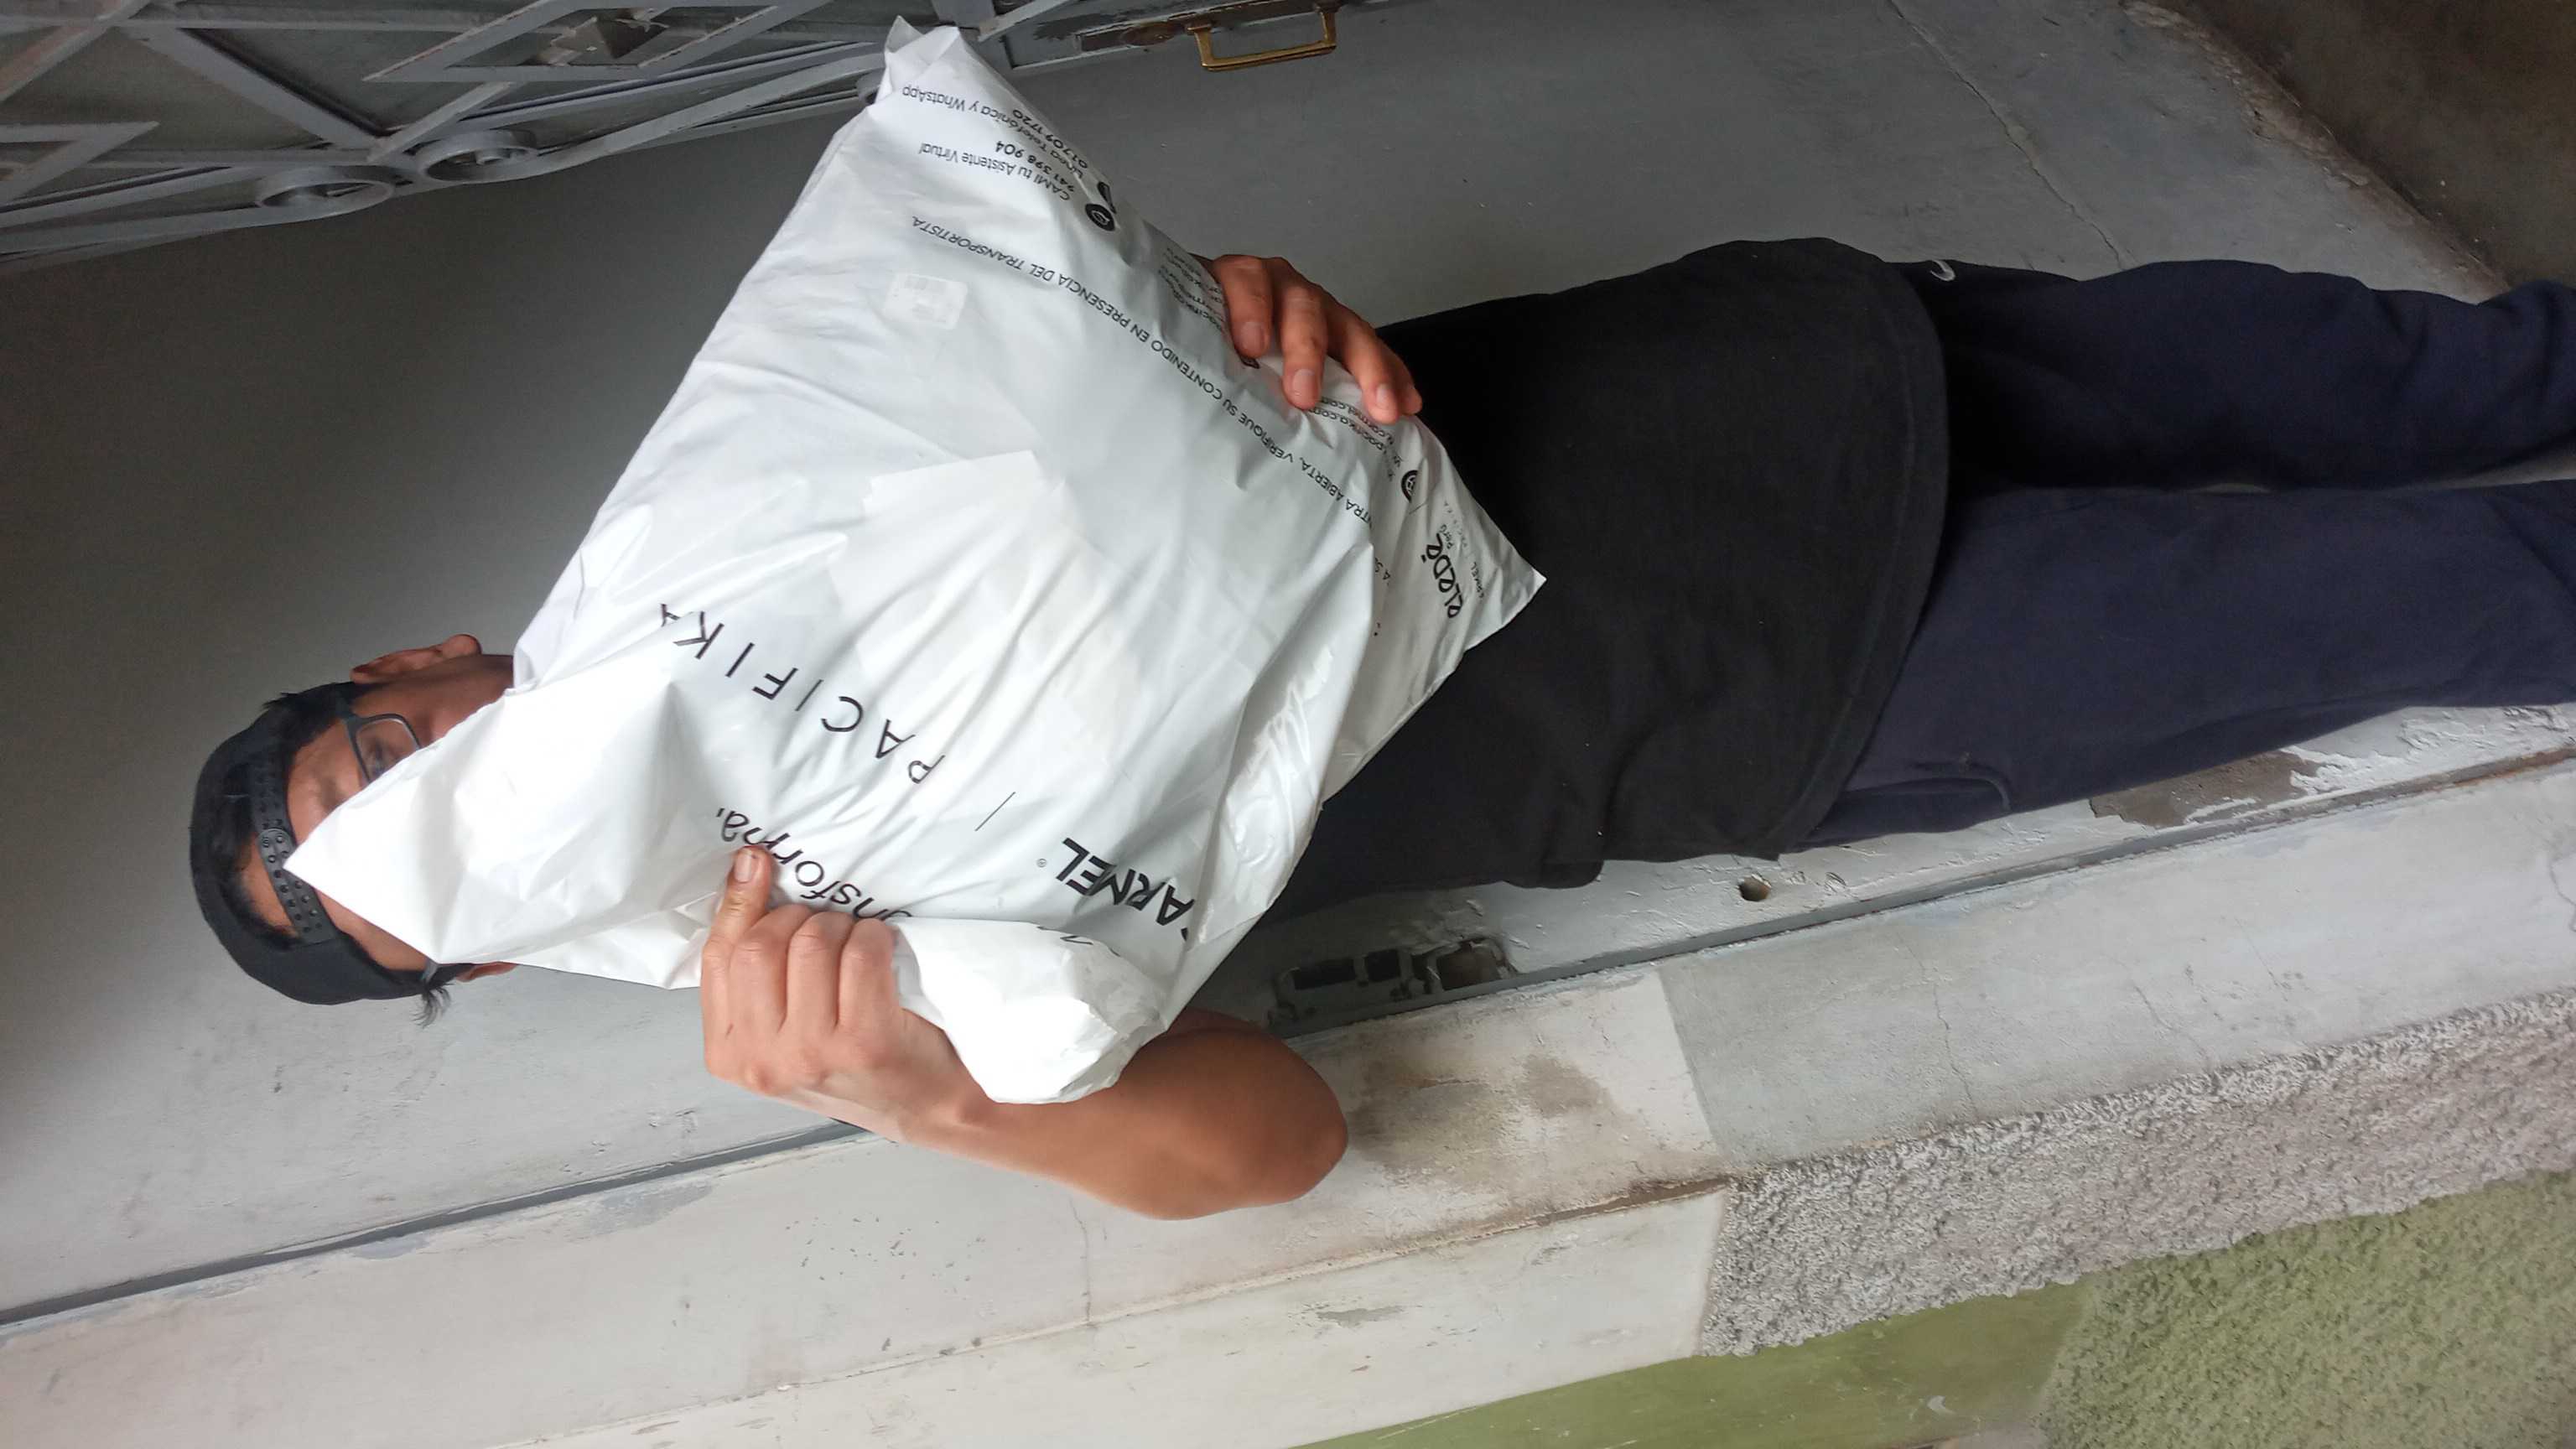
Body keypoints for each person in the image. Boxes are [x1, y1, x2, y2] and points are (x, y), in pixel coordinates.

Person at [189, 243, 2576, 1218]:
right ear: (493, 952)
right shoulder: (804, 968)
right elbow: (1280, 1145)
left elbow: (1083, 327)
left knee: (2436, 367)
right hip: (1809, 678)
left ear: (422, 664)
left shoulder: (754, 471)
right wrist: (924, 1096)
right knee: (2478, 591)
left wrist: (1217, 294)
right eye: (415, 896)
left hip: (1771, 367)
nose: (436, 808)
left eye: (379, 765)